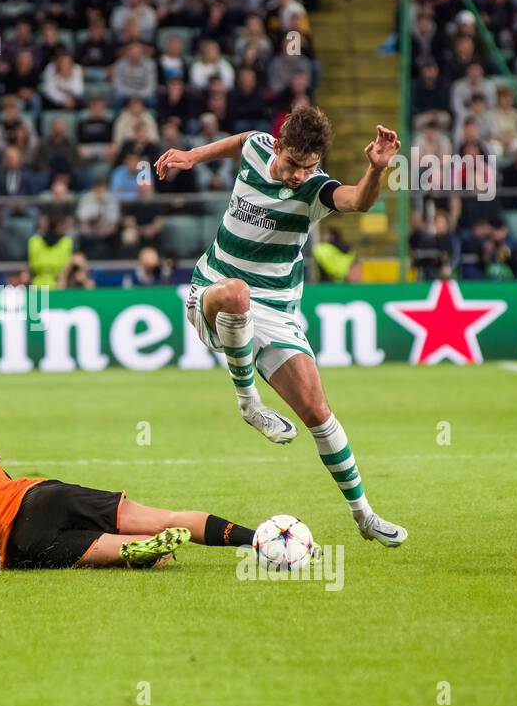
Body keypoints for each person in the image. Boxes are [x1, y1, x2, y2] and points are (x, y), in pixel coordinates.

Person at [155, 106, 408, 548]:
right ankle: (249, 404)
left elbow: (357, 201)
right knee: (236, 294)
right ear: (277, 146)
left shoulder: (314, 188)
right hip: (211, 289)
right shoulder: (256, 146)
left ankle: (365, 516)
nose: (297, 175)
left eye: (308, 166)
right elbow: (238, 140)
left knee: (318, 413)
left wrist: (375, 170)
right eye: (292, 164)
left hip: (276, 309)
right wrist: (193, 156)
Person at [0, 428, 265, 570]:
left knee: (125, 551)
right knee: (164, 517)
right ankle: (256, 539)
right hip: (42, 498)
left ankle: (138, 549)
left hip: (20, 547)